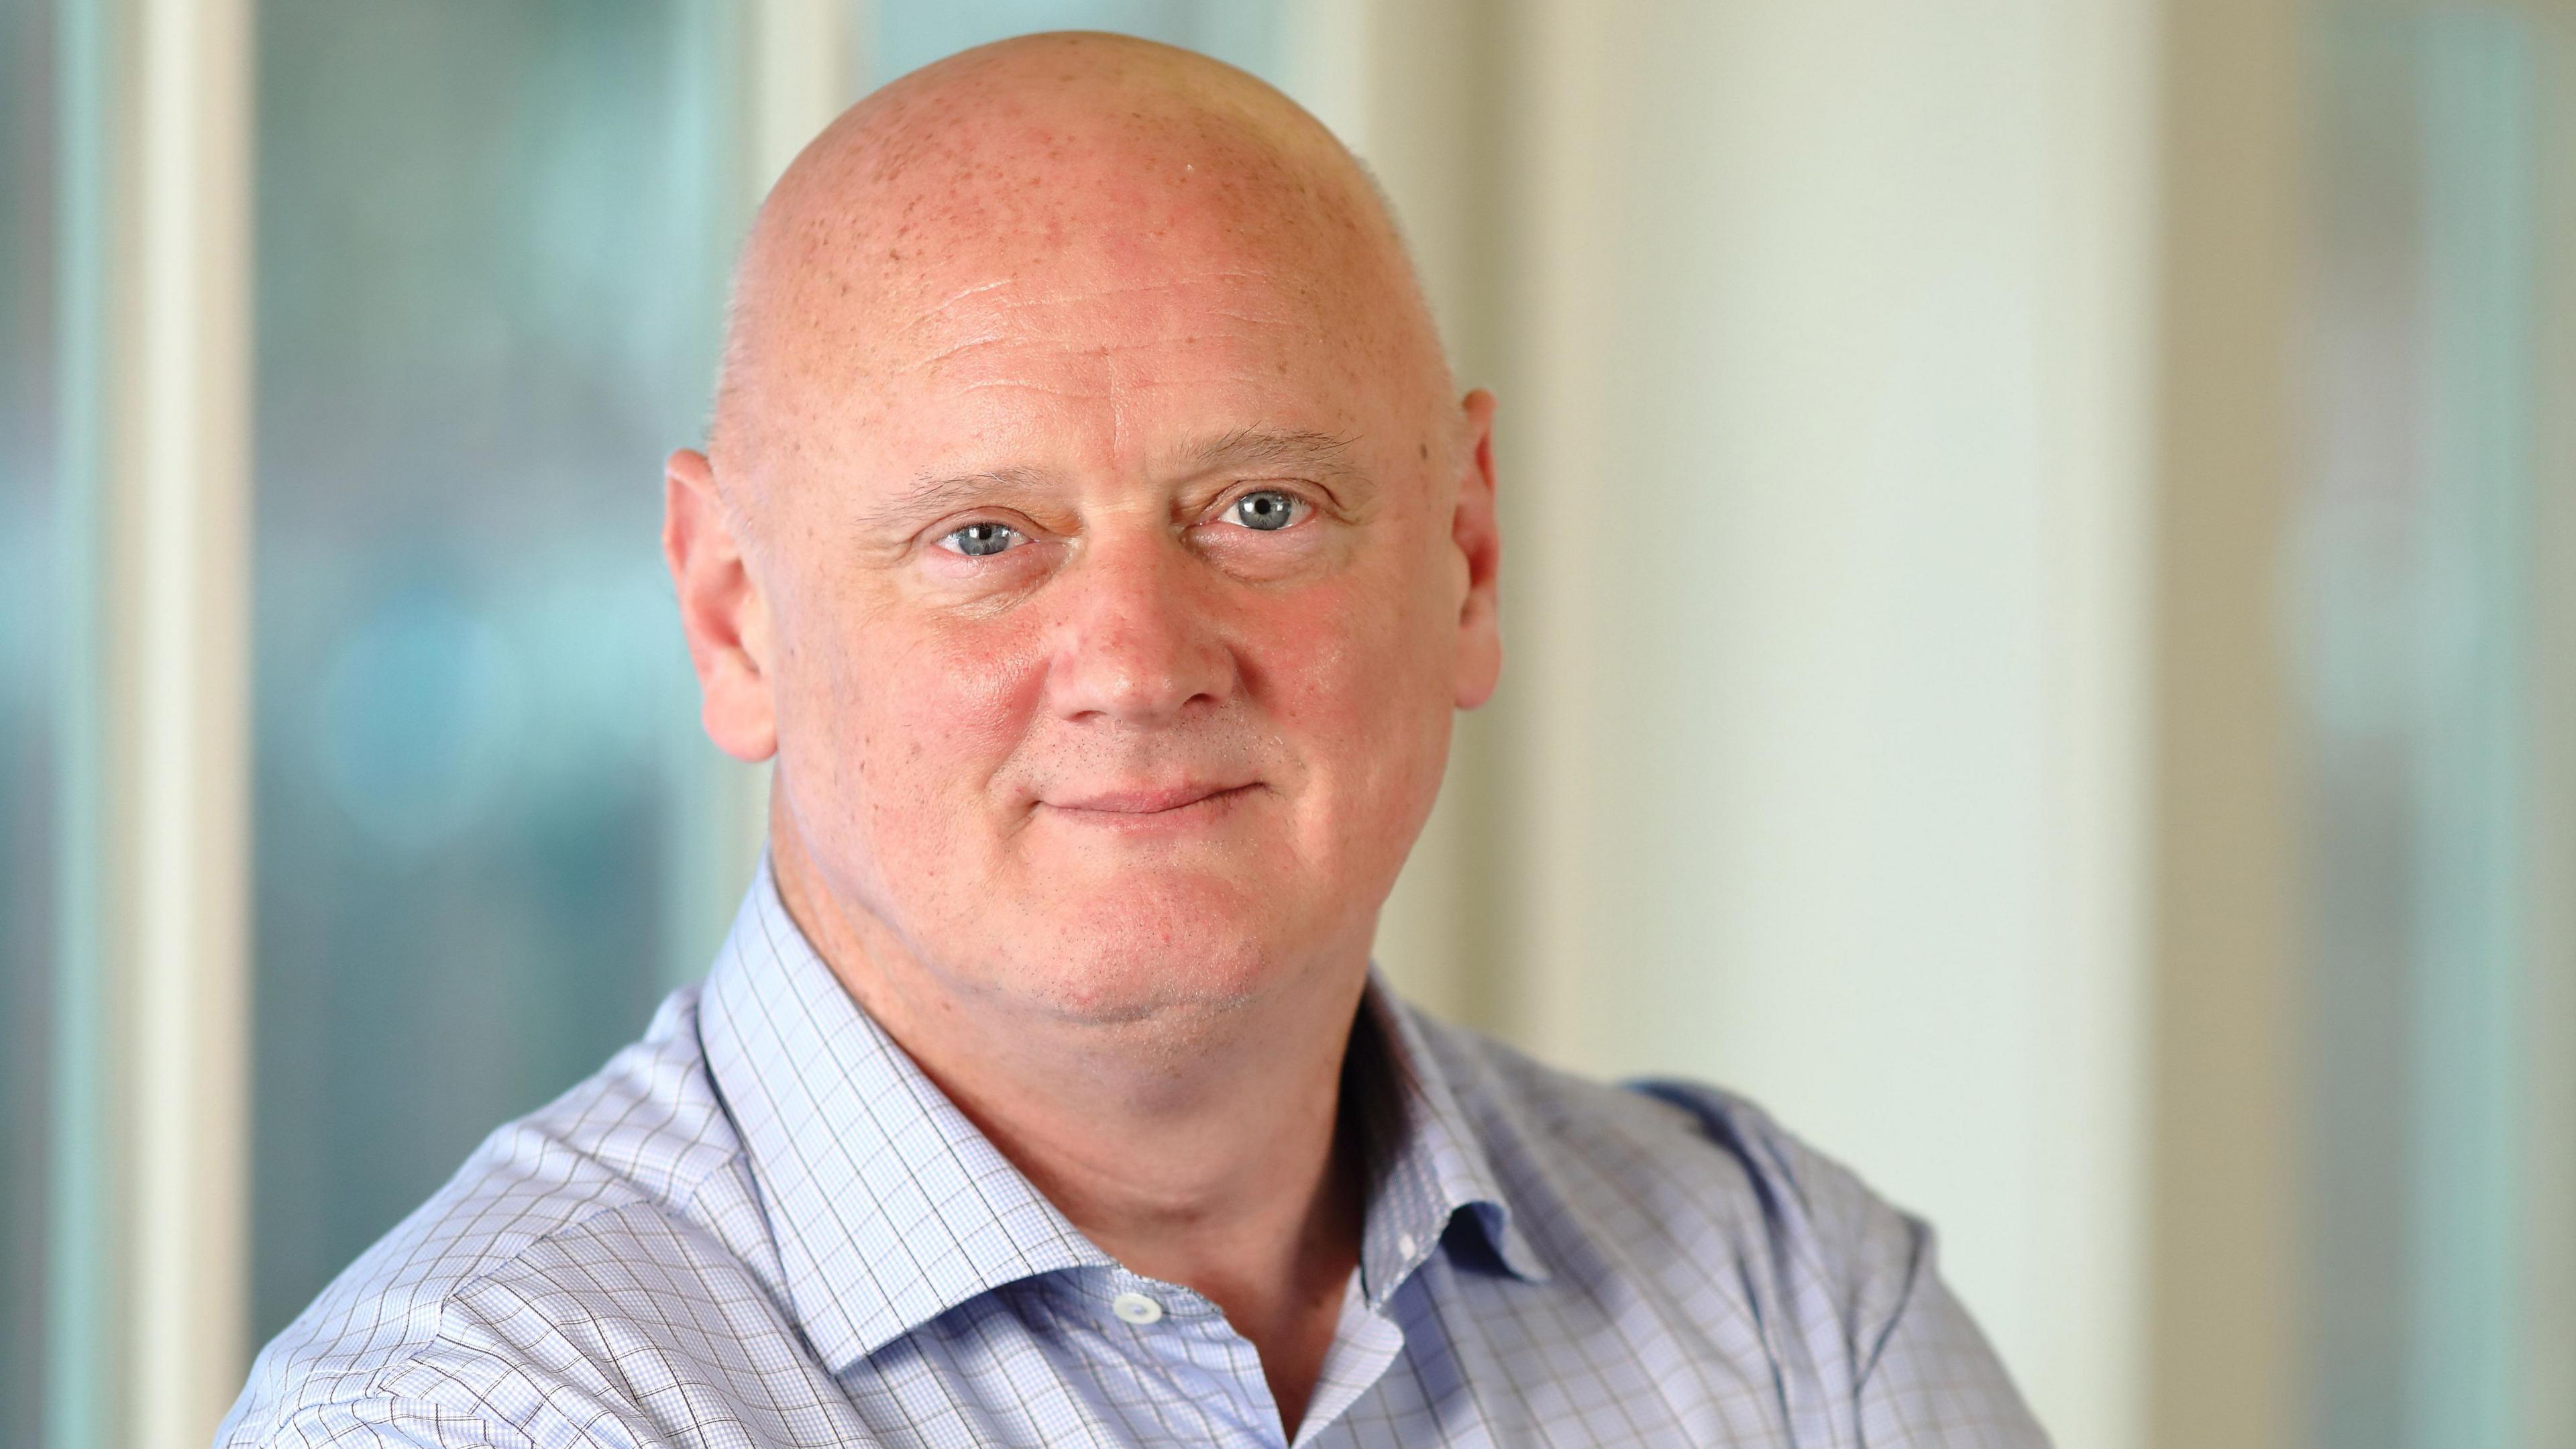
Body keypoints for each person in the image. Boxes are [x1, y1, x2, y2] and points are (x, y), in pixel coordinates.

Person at [220, 32, 2046, 1448]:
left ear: (1467, 557)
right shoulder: (480, 1413)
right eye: (984, 541)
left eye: (1262, 509)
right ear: (732, 620)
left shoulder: (1789, 1303)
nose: (1135, 660)